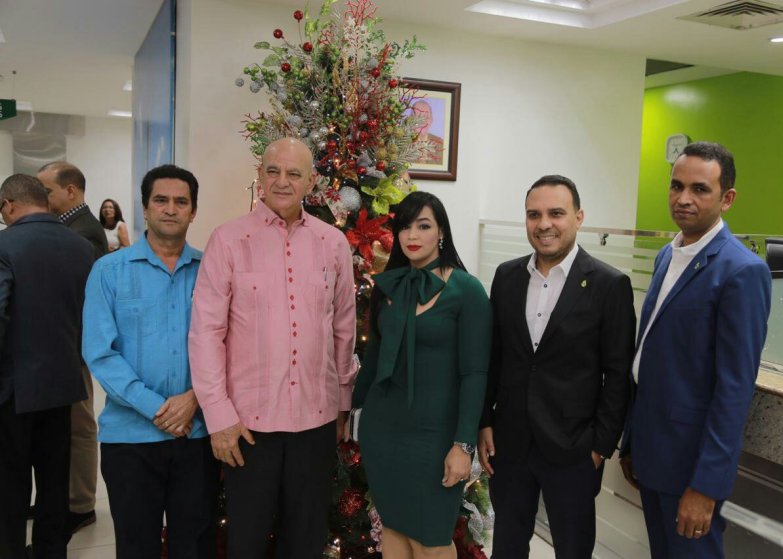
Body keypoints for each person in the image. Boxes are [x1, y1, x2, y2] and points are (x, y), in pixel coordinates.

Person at [189, 137, 356, 559]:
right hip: (247, 427)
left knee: (305, 542)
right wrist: (219, 416)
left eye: (294, 173)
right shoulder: (228, 239)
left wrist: (342, 403)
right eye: (273, 171)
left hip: (316, 423)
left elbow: (343, 328)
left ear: (311, 182)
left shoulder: (332, 242)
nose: (282, 181)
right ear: (260, 176)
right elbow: (206, 333)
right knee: (246, 542)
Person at [620, 142, 771, 558]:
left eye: (700, 189)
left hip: (691, 466)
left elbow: (734, 390)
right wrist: (632, 442)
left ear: (727, 198)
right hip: (652, 450)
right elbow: (653, 356)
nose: (683, 198)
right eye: (677, 186)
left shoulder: (741, 271)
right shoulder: (668, 255)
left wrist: (706, 486)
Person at [478, 175, 636, 558]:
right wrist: (484, 422)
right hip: (510, 444)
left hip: (574, 449)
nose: (544, 224)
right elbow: (493, 357)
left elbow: (618, 375)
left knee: (573, 550)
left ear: (579, 217)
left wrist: (599, 448)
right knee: (507, 548)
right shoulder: (507, 276)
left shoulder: (609, 285)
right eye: (534, 214)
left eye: (556, 213)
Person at [82, 164, 218, 558]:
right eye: (161, 200)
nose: (170, 209)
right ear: (145, 208)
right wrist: (157, 408)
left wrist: (194, 398)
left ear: (193, 211)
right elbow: (100, 353)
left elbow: (229, 346)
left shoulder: (211, 271)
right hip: (131, 440)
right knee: (136, 546)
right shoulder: (109, 271)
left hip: (197, 436)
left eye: (181, 202)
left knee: (194, 546)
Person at [351, 191, 492, 558]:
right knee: (394, 532)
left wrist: (464, 445)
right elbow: (373, 361)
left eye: (424, 226)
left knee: (432, 541)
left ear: (441, 232)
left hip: (436, 438)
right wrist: (346, 414)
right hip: (383, 431)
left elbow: (475, 373)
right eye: (405, 227)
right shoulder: (388, 287)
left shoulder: (467, 290)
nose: (412, 235)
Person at [0, 174, 95, 558]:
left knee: (10, 484)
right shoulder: (81, 247)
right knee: (55, 482)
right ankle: (51, 551)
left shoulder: (4, 245)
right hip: (64, 383)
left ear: (8, 205)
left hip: (12, 389)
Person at [37, 161, 107, 534]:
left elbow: (79, 294)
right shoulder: (67, 227)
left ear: (70, 191)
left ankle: (80, 504)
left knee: (79, 427)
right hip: (61, 345)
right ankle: (62, 499)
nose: (41, 197)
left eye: (46, 190)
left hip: (73, 345)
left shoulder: (85, 232)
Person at [411, 100, 444, 165]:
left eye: (426, 117)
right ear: (410, 119)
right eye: (418, 117)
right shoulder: (400, 143)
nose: (423, 121)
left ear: (431, 120)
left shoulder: (441, 143)